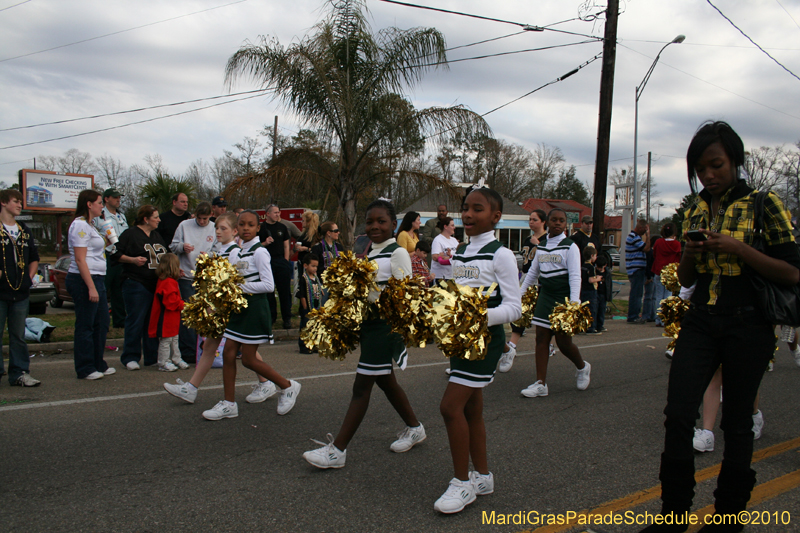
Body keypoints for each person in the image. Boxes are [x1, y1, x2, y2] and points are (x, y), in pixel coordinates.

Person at [639, 121, 800, 533]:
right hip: (700, 321)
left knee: (738, 422)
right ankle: (673, 515)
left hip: (749, 323)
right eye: (700, 169)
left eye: (716, 165)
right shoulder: (695, 209)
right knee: (678, 414)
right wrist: (691, 253)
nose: (708, 175)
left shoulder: (764, 204)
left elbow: (791, 272)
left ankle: (728, 518)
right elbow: (687, 279)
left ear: (735, 161)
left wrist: (737, 248)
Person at [303, 200, 424, 470]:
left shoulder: (397, 252)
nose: (374, 226)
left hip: (383, 327)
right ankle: (415, 428)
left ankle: (338, 451)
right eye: (370, 222)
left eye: (381, 221)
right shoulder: (368, 252)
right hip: (369, 326)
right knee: (386, 382)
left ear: (394, 225)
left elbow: (404, 296)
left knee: (361, 387)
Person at [433, 188, 521, 514]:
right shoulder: (460, 251)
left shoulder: (502, 254)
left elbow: (514, 308)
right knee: (472, 410)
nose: (468, 214)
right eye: (465, 208)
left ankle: (462, 483)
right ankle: (483, 477)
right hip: (461, 339)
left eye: (477, 209)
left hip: (485, 341)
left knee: (449, 407)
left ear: (496, 216)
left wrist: (477, 317)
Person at [164, 212, 278, 405]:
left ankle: (268, 383)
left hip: (227, 309)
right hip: (219, 307)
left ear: (234, 231)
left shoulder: (235, 252)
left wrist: (217, 307)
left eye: (223, 228)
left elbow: (231, 284)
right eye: (216, 227)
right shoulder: (220, 250)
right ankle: (191, 388)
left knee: (241, 349)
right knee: (215, 347)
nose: (218, 231)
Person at [203, 210, 301, 420]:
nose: (246, 228)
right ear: (237, 228)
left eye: (250, 225)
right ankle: (229, 404)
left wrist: (239, 287)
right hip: (239, 310)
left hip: (255, 309)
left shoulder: (260, 252)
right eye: (242, 225)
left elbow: (268, 285)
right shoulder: (238, 252)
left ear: (258, 228)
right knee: (228, 354)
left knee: (248, 360)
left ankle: (288, 386)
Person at [520, 208, 592, 398]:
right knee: (541, 338)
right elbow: (533, 273)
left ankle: (582, 367)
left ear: (565, 224)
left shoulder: (570, 246)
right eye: (554, 220)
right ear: (548, 222)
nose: (558, 223)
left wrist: (574, 303)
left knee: (563, 342)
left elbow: (575, 276)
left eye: (561, 220)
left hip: (563, 297)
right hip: (546, 295)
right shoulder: (542, 246)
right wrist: (520, 294)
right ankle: (540, 383)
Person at [113, 205, 168, 370]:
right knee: (135, 320)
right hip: (136, 282)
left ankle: (151, 356)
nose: (159, 220)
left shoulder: (156, 235)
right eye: (155, 217)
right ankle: (130, 356)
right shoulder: (130, 234)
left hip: (154, 283)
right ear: (146, 219)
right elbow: (115, 254)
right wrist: (132, 260)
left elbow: (164, 255)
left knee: (151, 322)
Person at [66, 190, 113, 381]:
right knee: (86, 324)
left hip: (98, 277)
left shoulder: (91, 225)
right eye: (100, 203)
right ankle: (85, 367)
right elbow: (80, 259)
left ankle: (97, 362)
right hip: (84, 279)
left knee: (102, 322)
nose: (102, 206)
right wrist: (91, 287)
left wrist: (108, 240)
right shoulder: (79, 225)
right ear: (89, 204)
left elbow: (97, 250)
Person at [499, 209, 550, 373]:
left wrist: (539, 244)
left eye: (535, 219)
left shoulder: (547, 239)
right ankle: (511, 347)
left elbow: (549, 259)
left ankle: (547, 344)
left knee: (543, 316)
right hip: (527, 279)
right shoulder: (528, 239)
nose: (531, 222)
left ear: (543, 222)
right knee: (521, 311)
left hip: (541, 280)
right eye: (530, 219)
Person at [0, 189, 41, 386]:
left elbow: (34, 257)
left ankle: (19, 373)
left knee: (18, 335)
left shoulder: (24, 231)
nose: (19, 205)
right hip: (0, 292)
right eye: (16, 201)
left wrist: (29, 277)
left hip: (20, 293)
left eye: (20, 202)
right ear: (3, 202)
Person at [170, 201, 215, 363]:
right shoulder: (184, 225)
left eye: (205, 219)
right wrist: (182, 247)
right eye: (199, 218)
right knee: (189, 315)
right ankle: (188, 351)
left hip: (205, 277)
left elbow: (218, 250)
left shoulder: (214, 228)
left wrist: (209, 255)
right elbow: (173, 246)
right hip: (186, 275)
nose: (201, 222)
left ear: (210, 216)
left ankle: (205, 349)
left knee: (205, 314)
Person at [93, 188, 128, 329]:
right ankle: (99, 321)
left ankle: (120, 321)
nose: (118, 200)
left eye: (119, 197)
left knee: (119, 290)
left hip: (120, 256)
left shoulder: (121, 216)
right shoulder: (99, 216)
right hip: (106, 255)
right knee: (103, 288)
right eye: (115, 197)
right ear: (106, 199)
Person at [147, 253, 186, 371]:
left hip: (171, 317)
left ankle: (176, 358)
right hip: (165, 318)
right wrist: (184, 305)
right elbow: (171, 303)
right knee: (166, 340)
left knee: (174, 339)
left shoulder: (167, 281)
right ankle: (163, 362)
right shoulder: (168, 282)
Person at [258, 204, 293, 329]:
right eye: (275, 212)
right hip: (267, 262)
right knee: (269, 293)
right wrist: (265, 243)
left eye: (278, 212)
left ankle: (287, 318)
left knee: (284, 292)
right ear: (267, 214)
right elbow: (256, 246)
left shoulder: (282, 227)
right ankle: (271, 317)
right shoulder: (261, 228)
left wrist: (286, 260)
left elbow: (286, 245)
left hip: (280, 261)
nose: (277, 214)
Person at [652, 223, 682, 327]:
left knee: (659, 296)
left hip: (659, 271)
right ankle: (666, 318)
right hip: (670, 272)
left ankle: (658, 318)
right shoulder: (677, 244)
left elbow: (654, 254)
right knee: (668, 296)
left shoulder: (658, 242)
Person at [626, 219, 651, 324]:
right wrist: (648, 236)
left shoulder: (637, 237)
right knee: (636, 294)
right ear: (640, 228)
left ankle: (634, 315)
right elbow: (646, 248)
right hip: (635, 269)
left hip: (637, 269)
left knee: (637, 293)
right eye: (645, 230)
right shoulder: (633, 237)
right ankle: (633, 316)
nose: (645, 232)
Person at [297, 253, 323, 354]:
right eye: (312, 266)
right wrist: (305, 308)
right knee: (306, 327)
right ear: (305, 266)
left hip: (316, 307)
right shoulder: (304, 279)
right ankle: (303, 346)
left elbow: (319, 289)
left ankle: (314, 345)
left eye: (316, 266)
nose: (315, 268)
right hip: (307, 308)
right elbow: (302, 295)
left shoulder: (316, 278)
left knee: (315, 327)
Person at [580, 246, 602, 335]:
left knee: (583, 309)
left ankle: (583, 326)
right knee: (592, 309)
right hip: (590, 291)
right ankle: (591, 328)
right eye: (595, 256)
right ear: (592, 256)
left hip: (583, 289)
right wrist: (598, 278)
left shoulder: (582, 266)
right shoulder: (591, 267)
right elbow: (591, 280)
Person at [430, 217, 458, 281]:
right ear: (445, 226)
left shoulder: (454, 240)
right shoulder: (438, 240)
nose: (454, 227)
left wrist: (447, 257)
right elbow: (435, 257)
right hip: (441, 277)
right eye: (452, 225)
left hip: (452, 276)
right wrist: (451, 258)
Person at [642, 235, 659, 322]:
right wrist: (648, 277)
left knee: (653, 297)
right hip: (650, 275)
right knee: (649, 296)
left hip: (654, 275)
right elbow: (648, 265)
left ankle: (652, 315)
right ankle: (646, 315)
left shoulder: (654, 252)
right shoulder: (650, 252)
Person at [595, 255, 612, 333]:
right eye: (598, 267)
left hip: (603, 293)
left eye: (601, 268)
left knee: (602, 310)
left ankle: (600, 325)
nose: (600, 269)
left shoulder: (607, 273)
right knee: (595, 310)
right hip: (596, 293)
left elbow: (609, 284)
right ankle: (594, 325)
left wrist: (609, 296)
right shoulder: (594, 271)